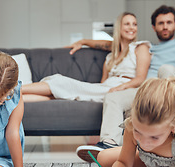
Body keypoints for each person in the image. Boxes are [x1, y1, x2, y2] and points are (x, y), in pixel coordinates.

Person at [75, 5, 175, 162]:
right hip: (147, 92)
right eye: (161, 23)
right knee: (113, 97)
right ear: (154, 27)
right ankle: (109, 145)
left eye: (169, 22)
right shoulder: (147, 48)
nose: (165, 26)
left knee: (165, 69)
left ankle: (170, 129)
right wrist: (84, 41)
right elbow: (111, 45)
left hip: (171, 89)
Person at [21, 12, 151, 103]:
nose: (131, 28)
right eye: (127, 24)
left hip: (121, 90)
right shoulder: (111, 56)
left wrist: (119, 88)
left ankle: (14, 89)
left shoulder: (140, 47)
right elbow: (103, 80)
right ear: (119, 27)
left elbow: (140, 79)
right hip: (105, 89)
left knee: (59, 82)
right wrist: (82, 41)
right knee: (58, 95)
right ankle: (12, 97)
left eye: (134, 24)